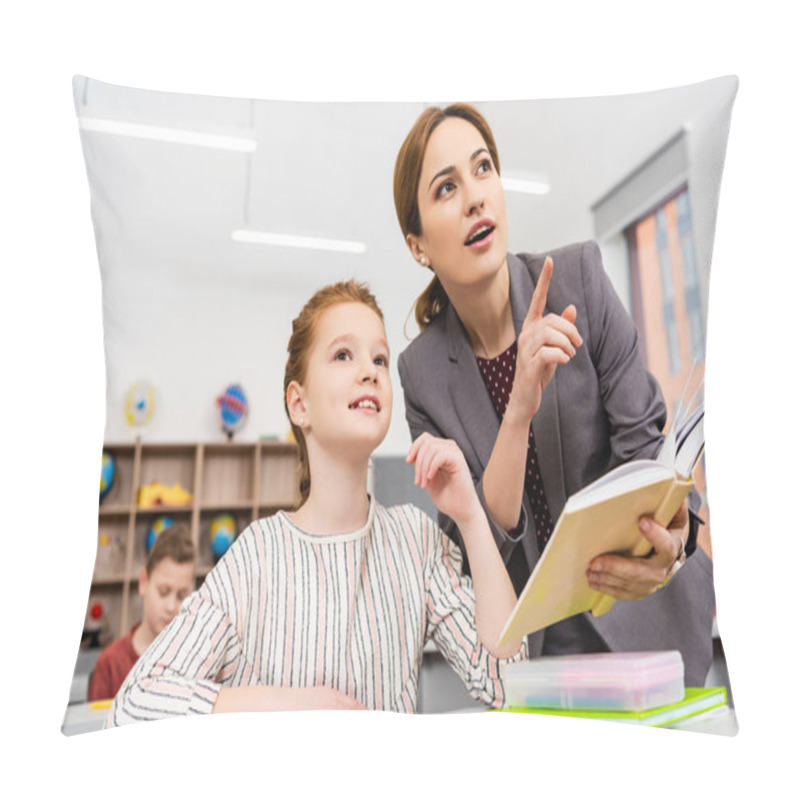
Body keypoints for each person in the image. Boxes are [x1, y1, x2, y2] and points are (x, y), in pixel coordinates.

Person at [393, 103, 716, 687]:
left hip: (647, 624)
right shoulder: (421, 374)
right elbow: (475, 549)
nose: (475, 197)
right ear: (418, 246)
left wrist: (667, 545)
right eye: (447, 188)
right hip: (537, 661)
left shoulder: (580, 279)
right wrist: (518, 411)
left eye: (483, 168)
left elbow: (647, 454)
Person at [108, 280, 525, 725]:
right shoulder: (257, 557)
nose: (370, 371)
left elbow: (508, 684)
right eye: (344, 355)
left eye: (379, 358)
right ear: (299, 404)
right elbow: (132, 705)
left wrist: (471, 516)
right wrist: (288, 705)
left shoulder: (415, 541)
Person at [88, 522, 195, 701]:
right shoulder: (110, 664)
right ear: (144, 582)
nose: (171, 607)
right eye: (163, 592)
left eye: (181, 595)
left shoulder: (194, 662)